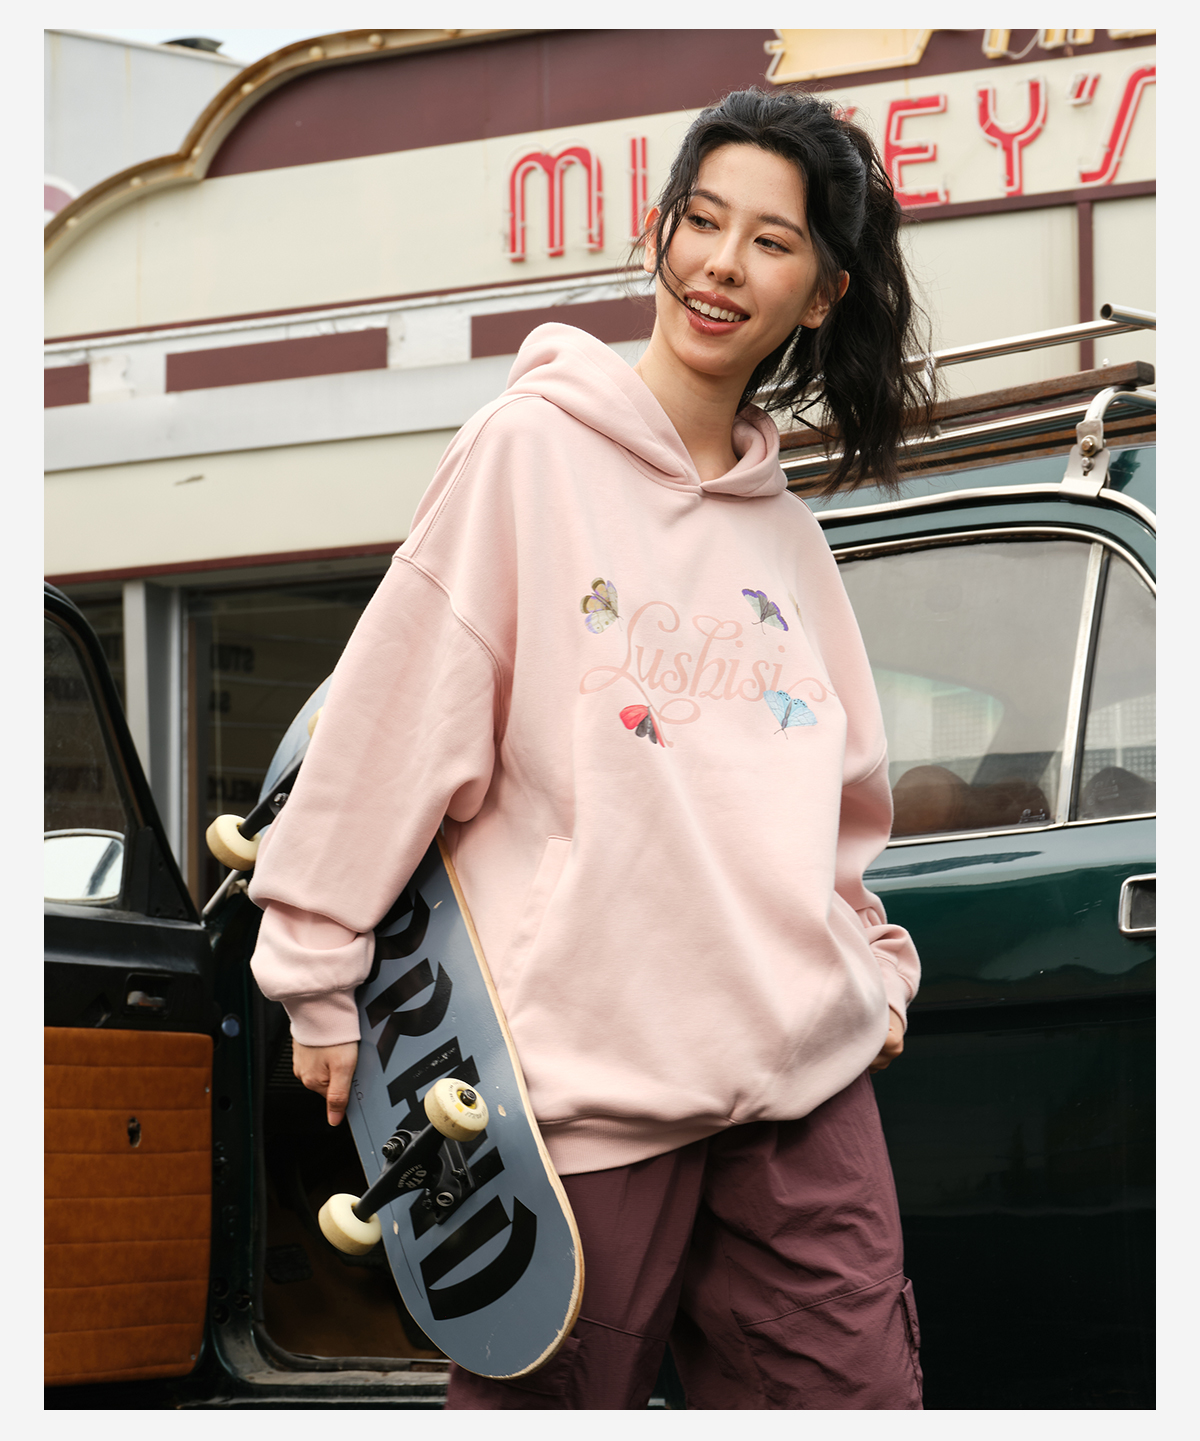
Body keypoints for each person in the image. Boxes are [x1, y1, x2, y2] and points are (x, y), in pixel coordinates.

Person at [247, 87, 932, 1409]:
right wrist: (315, 960)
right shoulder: (529, 454)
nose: (721, 264)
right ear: (659, 232)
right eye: (702, 221)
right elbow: (395, 717)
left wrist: (878, 964)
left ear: (824, 294)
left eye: (771, 242)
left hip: (800, 1078)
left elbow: (844, 801)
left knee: (859, 1400)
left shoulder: (786, 537)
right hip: (581, 1093)